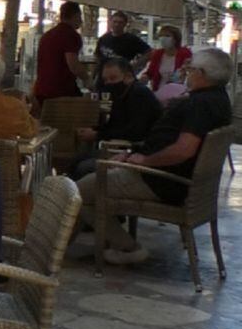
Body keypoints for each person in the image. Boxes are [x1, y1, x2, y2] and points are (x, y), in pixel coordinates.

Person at [74, 48, 232, 265]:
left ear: (202, 74)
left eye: (191, 68)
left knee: (76, 191)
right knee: (86, 176)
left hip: (159, 180)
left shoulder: (201, 104)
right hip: (170, 177)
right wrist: (131, 154)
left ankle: (124, 247)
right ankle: (67, 244)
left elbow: (183, 149)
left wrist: (143, 161)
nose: (187, 72)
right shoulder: (219, 100)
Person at [69, 58, 162, 179]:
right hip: (124, 147)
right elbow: (114, 123)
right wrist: (93, 130)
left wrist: (98, 135)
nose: (108, 83)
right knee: (75, 160)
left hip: (139, 151)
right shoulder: (122, 94)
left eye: (113, 78)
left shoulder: (139, 94)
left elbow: (136, 132)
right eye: (106, 80)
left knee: (83, 167)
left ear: (128, 76)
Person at [34, 1, 87, 104]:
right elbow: (73, 65)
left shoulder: (47, 35)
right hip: (62, 91)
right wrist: (87, 79)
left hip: (41, 89)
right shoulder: (71, 35)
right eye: (80, 17)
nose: (81, 21)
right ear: (76, 16)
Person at [93, 11, 150, 88]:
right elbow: (97, 55)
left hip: (121, 78)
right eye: (115, 21)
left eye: (120, 22)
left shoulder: (131, 39)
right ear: (110, 22)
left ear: (125, 24)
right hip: (103, 77)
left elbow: (149, 52)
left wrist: (135, 66)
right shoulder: (104, 38)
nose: (117, 24)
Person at [141, 25, 191, 93]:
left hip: (179, 92)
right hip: (159, 91)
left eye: (167, 36)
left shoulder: (185, 53)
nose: (163, 38)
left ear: (175, 39)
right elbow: (150, 72)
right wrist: (145, 76)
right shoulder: (157, 54)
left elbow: (188, 72)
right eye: (161, 36)